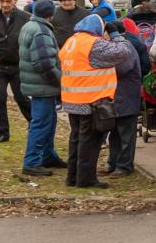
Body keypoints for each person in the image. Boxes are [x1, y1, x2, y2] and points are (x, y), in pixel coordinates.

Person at [57, 14, 134, 188]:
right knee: (89, 141)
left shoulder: (71, 41)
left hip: (72, 99)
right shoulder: (93, 43)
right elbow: (124, 52)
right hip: (91, 101)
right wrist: (115, 34)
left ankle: (73, 176)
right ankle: (86, 179)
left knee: (76, 138)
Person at [17, 0, 64, 177]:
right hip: (43, 86)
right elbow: (44, 64)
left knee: (49, 122)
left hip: (37, 85)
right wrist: (61, 81)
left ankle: (48, 155)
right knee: (41, 124)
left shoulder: (29, 26)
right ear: (50, 14)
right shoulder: (41, 31)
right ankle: (32, 162)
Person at [101, 19, 150, 177]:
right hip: (118, 96)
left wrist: (100, 66)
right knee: (115, 132)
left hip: (126, 96)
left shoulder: (124, 47)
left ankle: (124, 166)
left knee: (126, 134)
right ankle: (113, 163)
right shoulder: (118, 46)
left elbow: (120, 70)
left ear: (108, 33)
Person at [0, 0, 31, 145]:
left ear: (15, 1)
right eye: (2, 1)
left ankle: (35, 126)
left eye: (8, 1)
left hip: (19, 66)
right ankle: (2, 133)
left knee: (22, 99)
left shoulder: (26, 19)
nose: (5, 4)